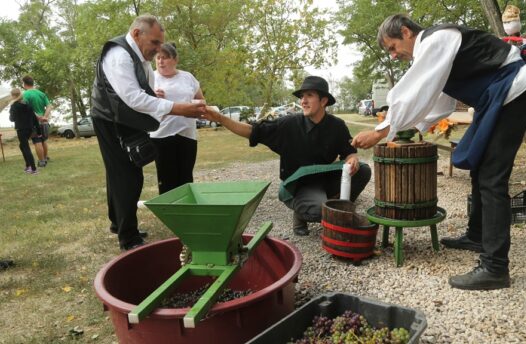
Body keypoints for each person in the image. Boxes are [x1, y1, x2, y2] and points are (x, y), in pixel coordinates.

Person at [352, 14, 526, 290]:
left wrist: (383, 130)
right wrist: (414, 126)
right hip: (497, 96)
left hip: (512, 90)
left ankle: (495, 267)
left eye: (392, 47)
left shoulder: (437, 39)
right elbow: (437, 101)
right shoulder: (435, 50)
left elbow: (415, 90)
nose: (393, 56)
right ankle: (477, 235)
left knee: (492, 177)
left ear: (405, 32)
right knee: (480, 166)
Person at [91, 14, 206, 251]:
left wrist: (157, 100)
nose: (157, 50)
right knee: (127, 174)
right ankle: (129, 238)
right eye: (154, 43)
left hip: (121, 117)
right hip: (108, 119)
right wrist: (179, 108)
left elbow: (144, 94)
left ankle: (117, 223)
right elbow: (133, 98)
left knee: (118, 172)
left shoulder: (139, 57)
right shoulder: (119, 56)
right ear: (136, 34)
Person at [202, 76, 371, 236]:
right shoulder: (288, 124)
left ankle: (338, 207)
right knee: (319, 210)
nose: (303, 101)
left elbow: (348, 152)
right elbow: (251, 131)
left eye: (309, 96)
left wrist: (352, 158)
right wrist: (219, 118)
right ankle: (302, 214)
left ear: (324, 101)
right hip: (299, 185)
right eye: (302, 96)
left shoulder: (337, 126)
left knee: (363, 170)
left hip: (325, 180)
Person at [150, 42, 204, 194]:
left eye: (165, 58)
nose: (160, 61)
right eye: (158, 58)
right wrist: (151, 97)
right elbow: (139, 105)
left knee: (186, 177)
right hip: (161, 135)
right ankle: (169, 214)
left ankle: (187, 214)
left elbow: (201, 100)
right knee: (166, 179)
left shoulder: (188, 77)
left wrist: (196, 106)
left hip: (187, 135)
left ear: (175, 59)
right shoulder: (150, 78)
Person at [21, 75, 53, 167]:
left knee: (37, 141)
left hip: (33, 122)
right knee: (43, 140)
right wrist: (45, 117)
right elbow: (49, 106)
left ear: (24, 83)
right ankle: (46, 157)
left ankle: (42, 161)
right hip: (44, 122)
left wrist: (37, 117)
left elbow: (27, 109)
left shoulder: (25, 95)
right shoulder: (41, 93)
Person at [9, 88, 41, 174]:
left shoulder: (14, 106)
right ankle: (28, 166)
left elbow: (12, 119)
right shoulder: (27, 104)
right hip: (29, 129)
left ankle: (33, 169)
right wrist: (38, 131)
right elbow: (35, 118)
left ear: (14, 96)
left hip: (21, 130)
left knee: (25, 147)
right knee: (22, 146)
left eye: (11, 95)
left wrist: (11, 112)